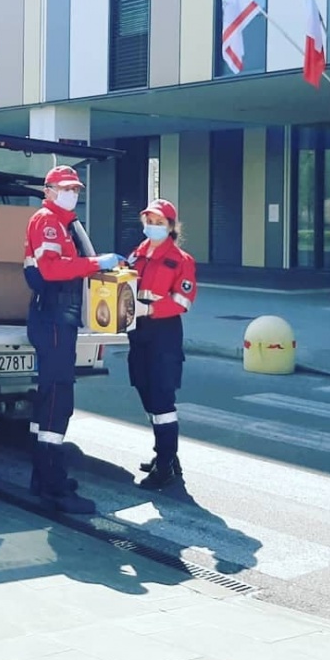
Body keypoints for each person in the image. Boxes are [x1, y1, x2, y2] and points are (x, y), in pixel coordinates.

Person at [24, 165, 123, 514]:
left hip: (57, 316)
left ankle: (44, 476)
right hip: (52, 315)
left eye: (76, 189)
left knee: (50, 396)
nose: (72, 193)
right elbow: (51, 269)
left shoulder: (63, 223)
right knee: (57, 399)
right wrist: (95, 263)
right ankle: (52, 487)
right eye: (65, 188)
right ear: (48, 190)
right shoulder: (48, 220)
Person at [126, 198, 197, 490]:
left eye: (159, 222)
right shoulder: (136, 255)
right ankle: (167, 454)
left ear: (171, 227)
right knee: (144, 391)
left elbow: (183, 301)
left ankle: (165, 465)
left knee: (162, 400)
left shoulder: (181, 260)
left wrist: (150, 309)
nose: (153, 227)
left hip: (164, 334)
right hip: (138, 332)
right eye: (149, 222)